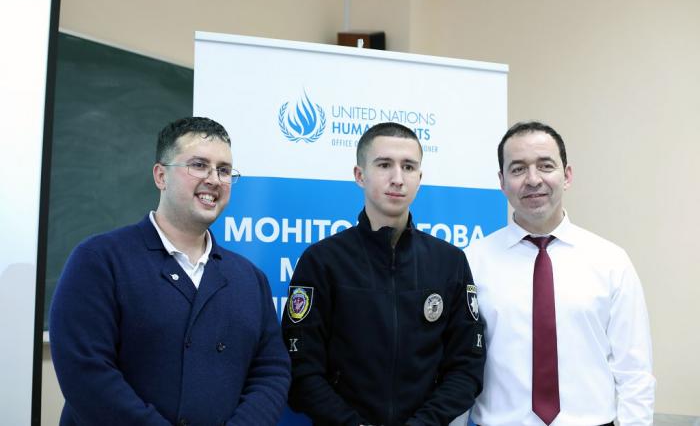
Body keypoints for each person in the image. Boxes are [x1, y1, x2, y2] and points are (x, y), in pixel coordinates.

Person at [50, 117, 290, 426]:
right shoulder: (99, 260)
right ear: (161, 176)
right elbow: (85, 372)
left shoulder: (249, 278)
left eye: (224, 170)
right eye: (199, 165)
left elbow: (271, 371)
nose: (214, 179)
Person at [282, 122, 485, 426]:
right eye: (384, 165)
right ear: (359, 175)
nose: (398, 178)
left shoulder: (450, 261)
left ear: (420, 178)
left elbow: (466, 366)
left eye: (408, 167)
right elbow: (301, 367)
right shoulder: (322, 261)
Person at [467, 121, 655, 426]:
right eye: (518, 169)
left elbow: (634, 371)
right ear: (502, 181)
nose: (533, 179)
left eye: (545, 166)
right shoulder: (472, 262)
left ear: (566, 175)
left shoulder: (611, 261)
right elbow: (459, 366)